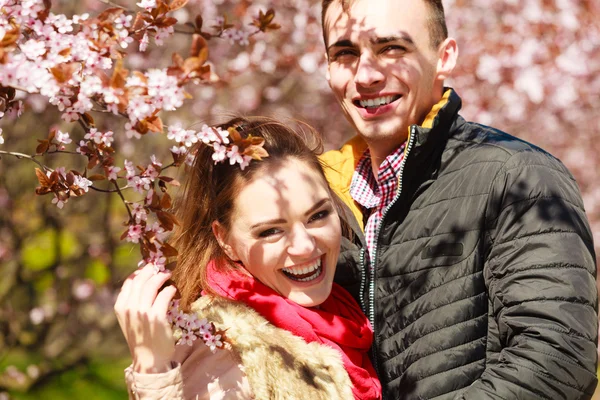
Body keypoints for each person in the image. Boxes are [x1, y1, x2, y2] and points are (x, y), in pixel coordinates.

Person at [318, 0, 599, 399]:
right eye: (345, 53)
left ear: (444, 56)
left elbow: (557, 359)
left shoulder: (519, 177)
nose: (366, 75)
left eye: (392, 48)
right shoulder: (319, 203)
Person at [114, 116, 382, 399]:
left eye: (318, 215)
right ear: (225, 239)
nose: (304, 246)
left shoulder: (345, 306)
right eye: (270, 231)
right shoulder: (226, 353)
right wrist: (152, 372)